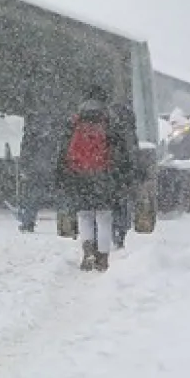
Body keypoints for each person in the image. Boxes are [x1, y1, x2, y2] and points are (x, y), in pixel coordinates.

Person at [54, 87, 135, 272]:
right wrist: (124, 174)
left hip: (79, 175)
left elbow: (63, 150)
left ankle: (88, 253)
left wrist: (62, 174)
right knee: (104, 217)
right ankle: (103, 258)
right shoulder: (110, 120)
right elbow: (121, 152)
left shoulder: (74, 121)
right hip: (104, 175)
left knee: (84, 215)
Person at [107, 99, 140, 249]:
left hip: (110, 170)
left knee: (112, 203)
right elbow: (133, 152)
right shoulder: (130, 130)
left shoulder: (109, 128)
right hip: (125, 171)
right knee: (124, 202)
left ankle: (114, 231)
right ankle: (121, 233)